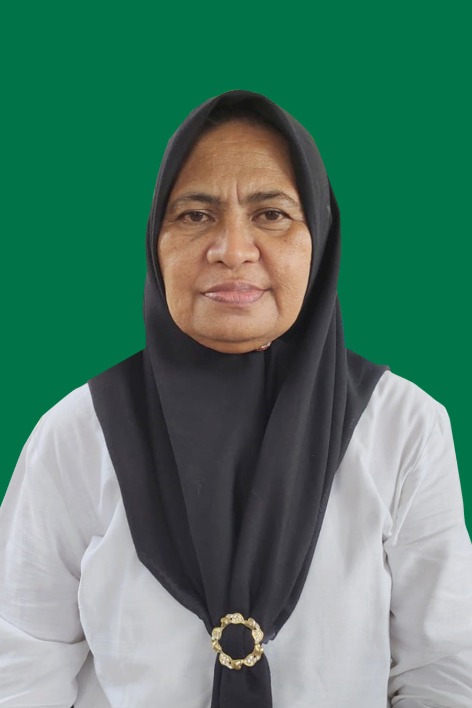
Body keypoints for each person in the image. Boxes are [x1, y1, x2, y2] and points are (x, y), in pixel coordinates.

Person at [1, 90, 471, 708]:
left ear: (320, 239)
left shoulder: (404, 427)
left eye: (271, 214)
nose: (232, 248)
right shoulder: (77, 433)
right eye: (195, 214)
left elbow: (444, 672)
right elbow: (19, 664)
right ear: (155, 242)